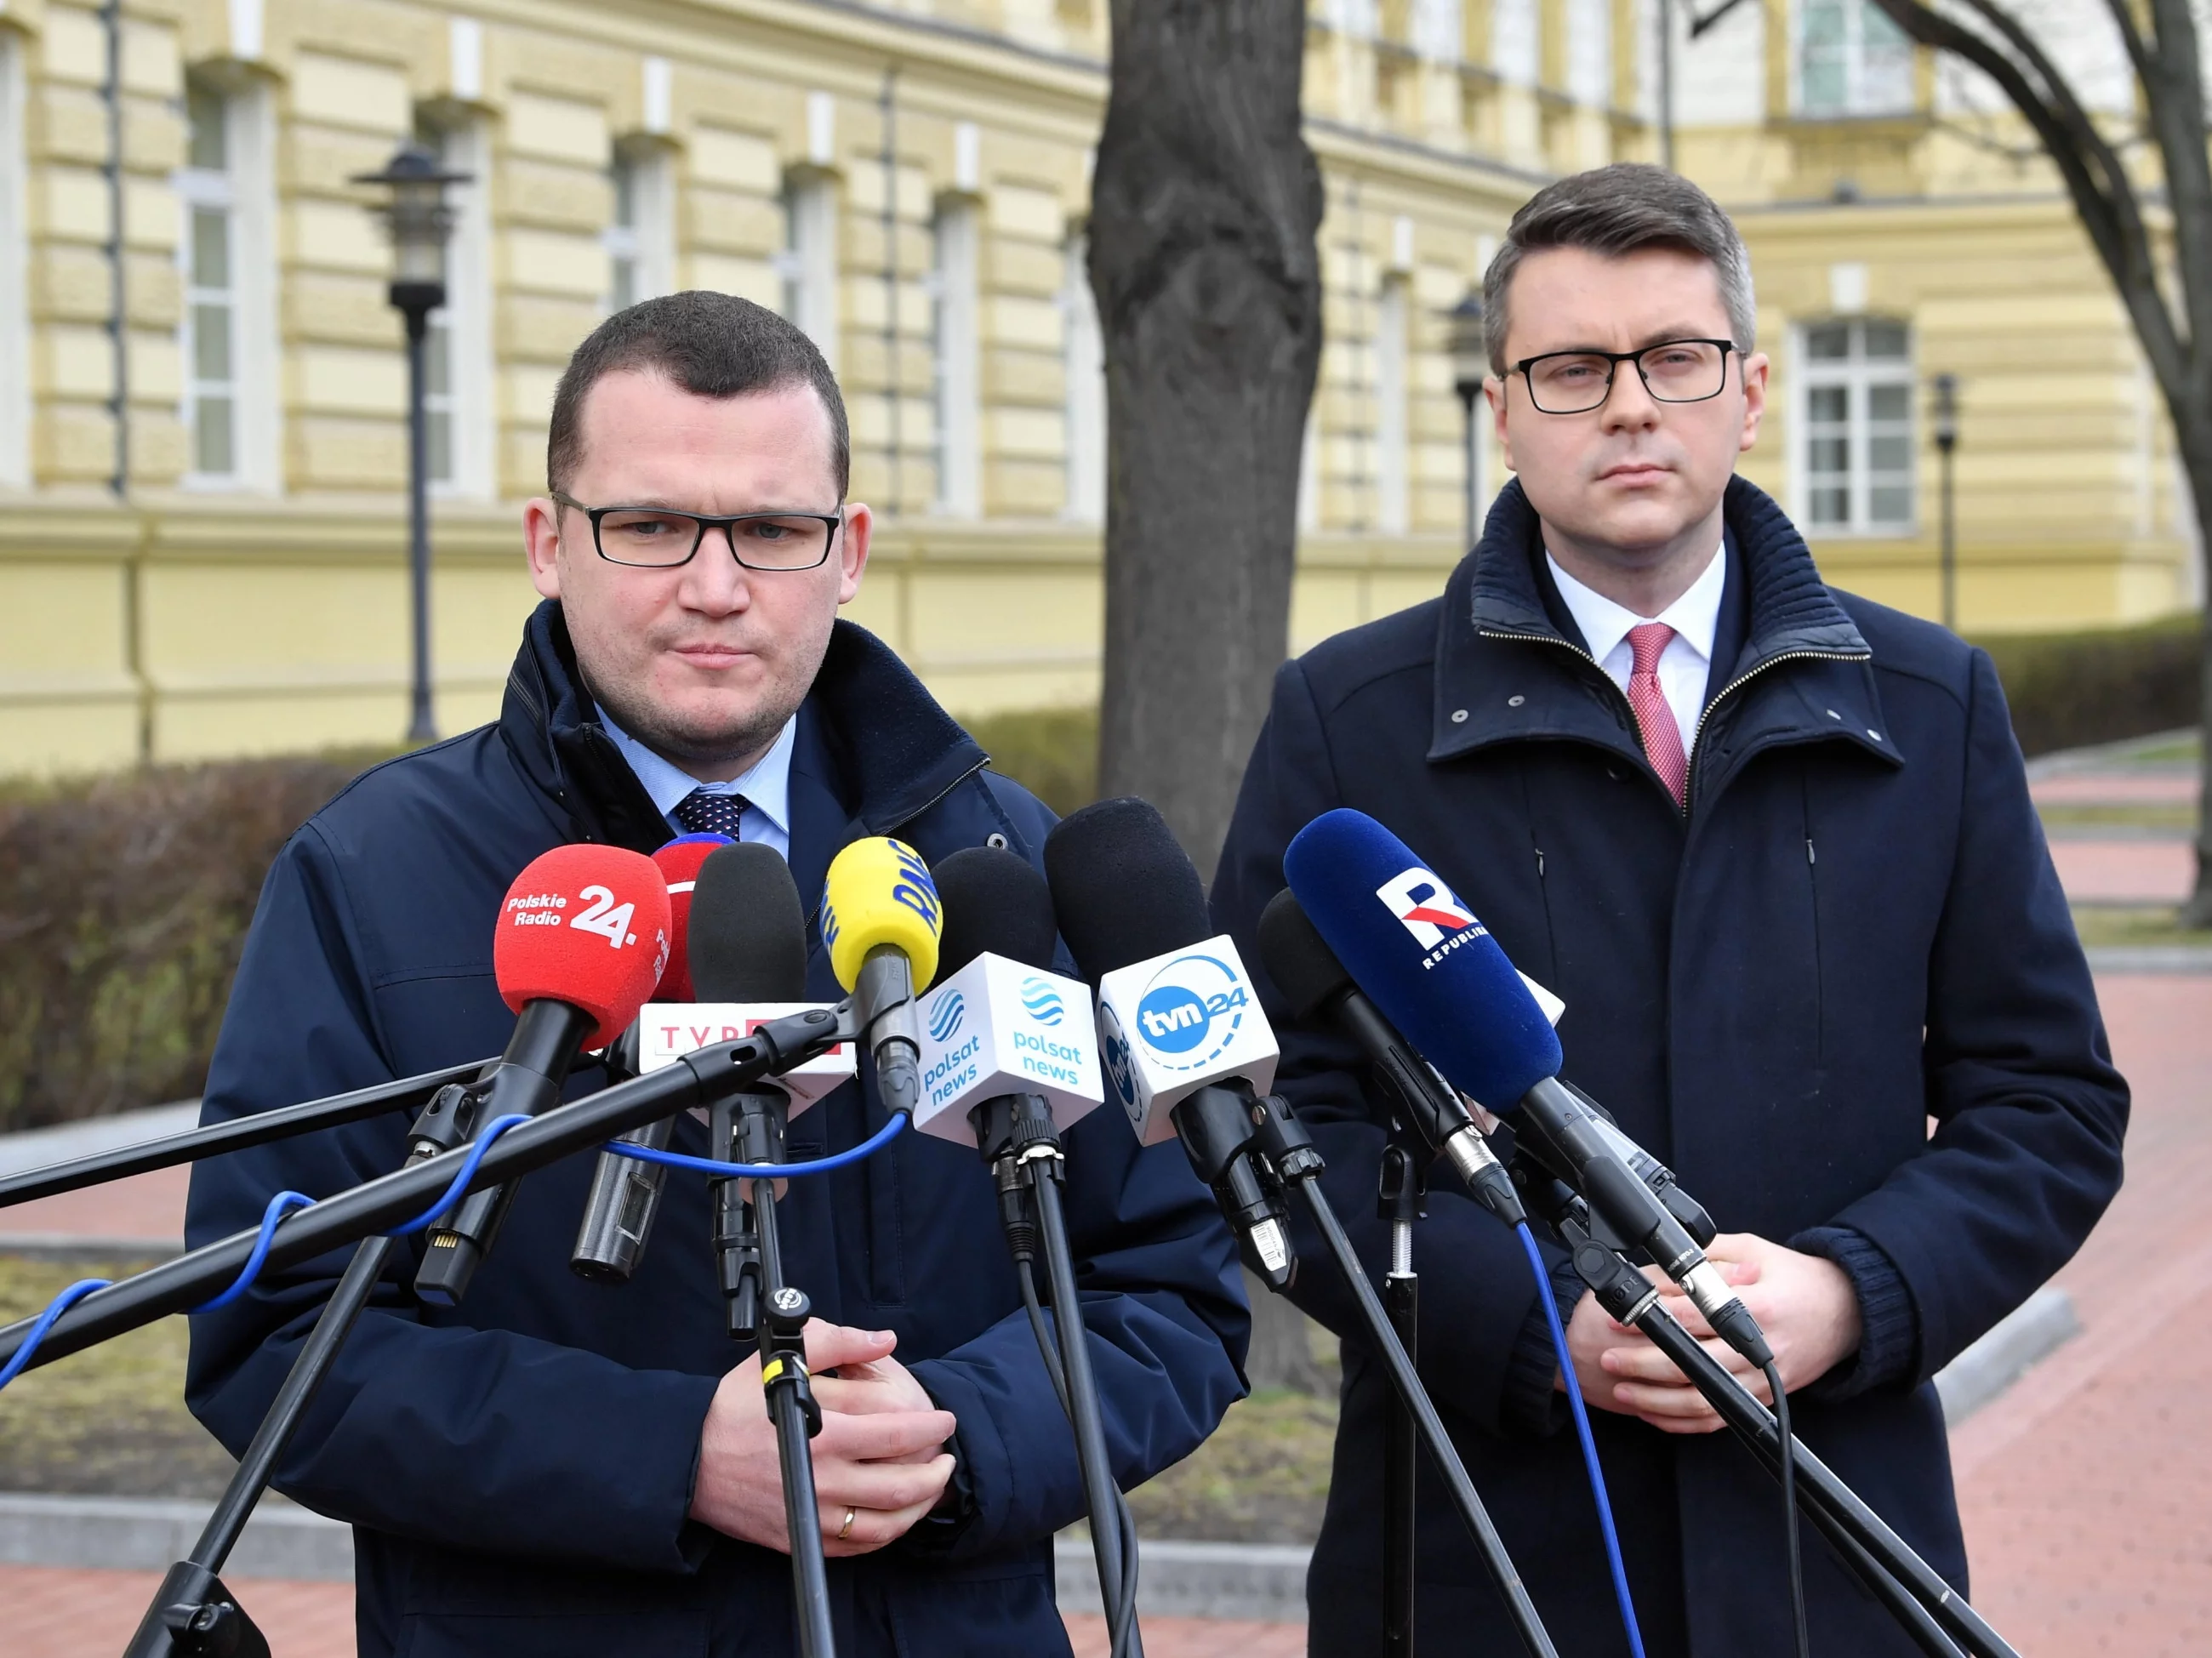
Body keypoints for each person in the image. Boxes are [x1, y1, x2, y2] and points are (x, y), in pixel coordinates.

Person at [185, 293, 1248, 1657]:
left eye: (771, 529)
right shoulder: (372, 874)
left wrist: (959, 1433)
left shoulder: (1003, 867)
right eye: (649, 526)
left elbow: (1172, 1289)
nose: (715, 583)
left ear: (847, 552)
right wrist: (672, 1454)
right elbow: (271, 1336)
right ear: (546, 542)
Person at [1211, 163, 2129, 1655]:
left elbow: (2050, 1105)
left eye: (1675, 359)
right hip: (1480, 1559)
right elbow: (1263, 1117)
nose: (1630, 406)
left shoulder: (1929, 705)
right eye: (1571, 368)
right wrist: (1537, 1327)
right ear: (1499, 407)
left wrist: (1854, 1290)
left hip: (1834, 1539)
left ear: (1750, 390)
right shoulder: (1350, 721)